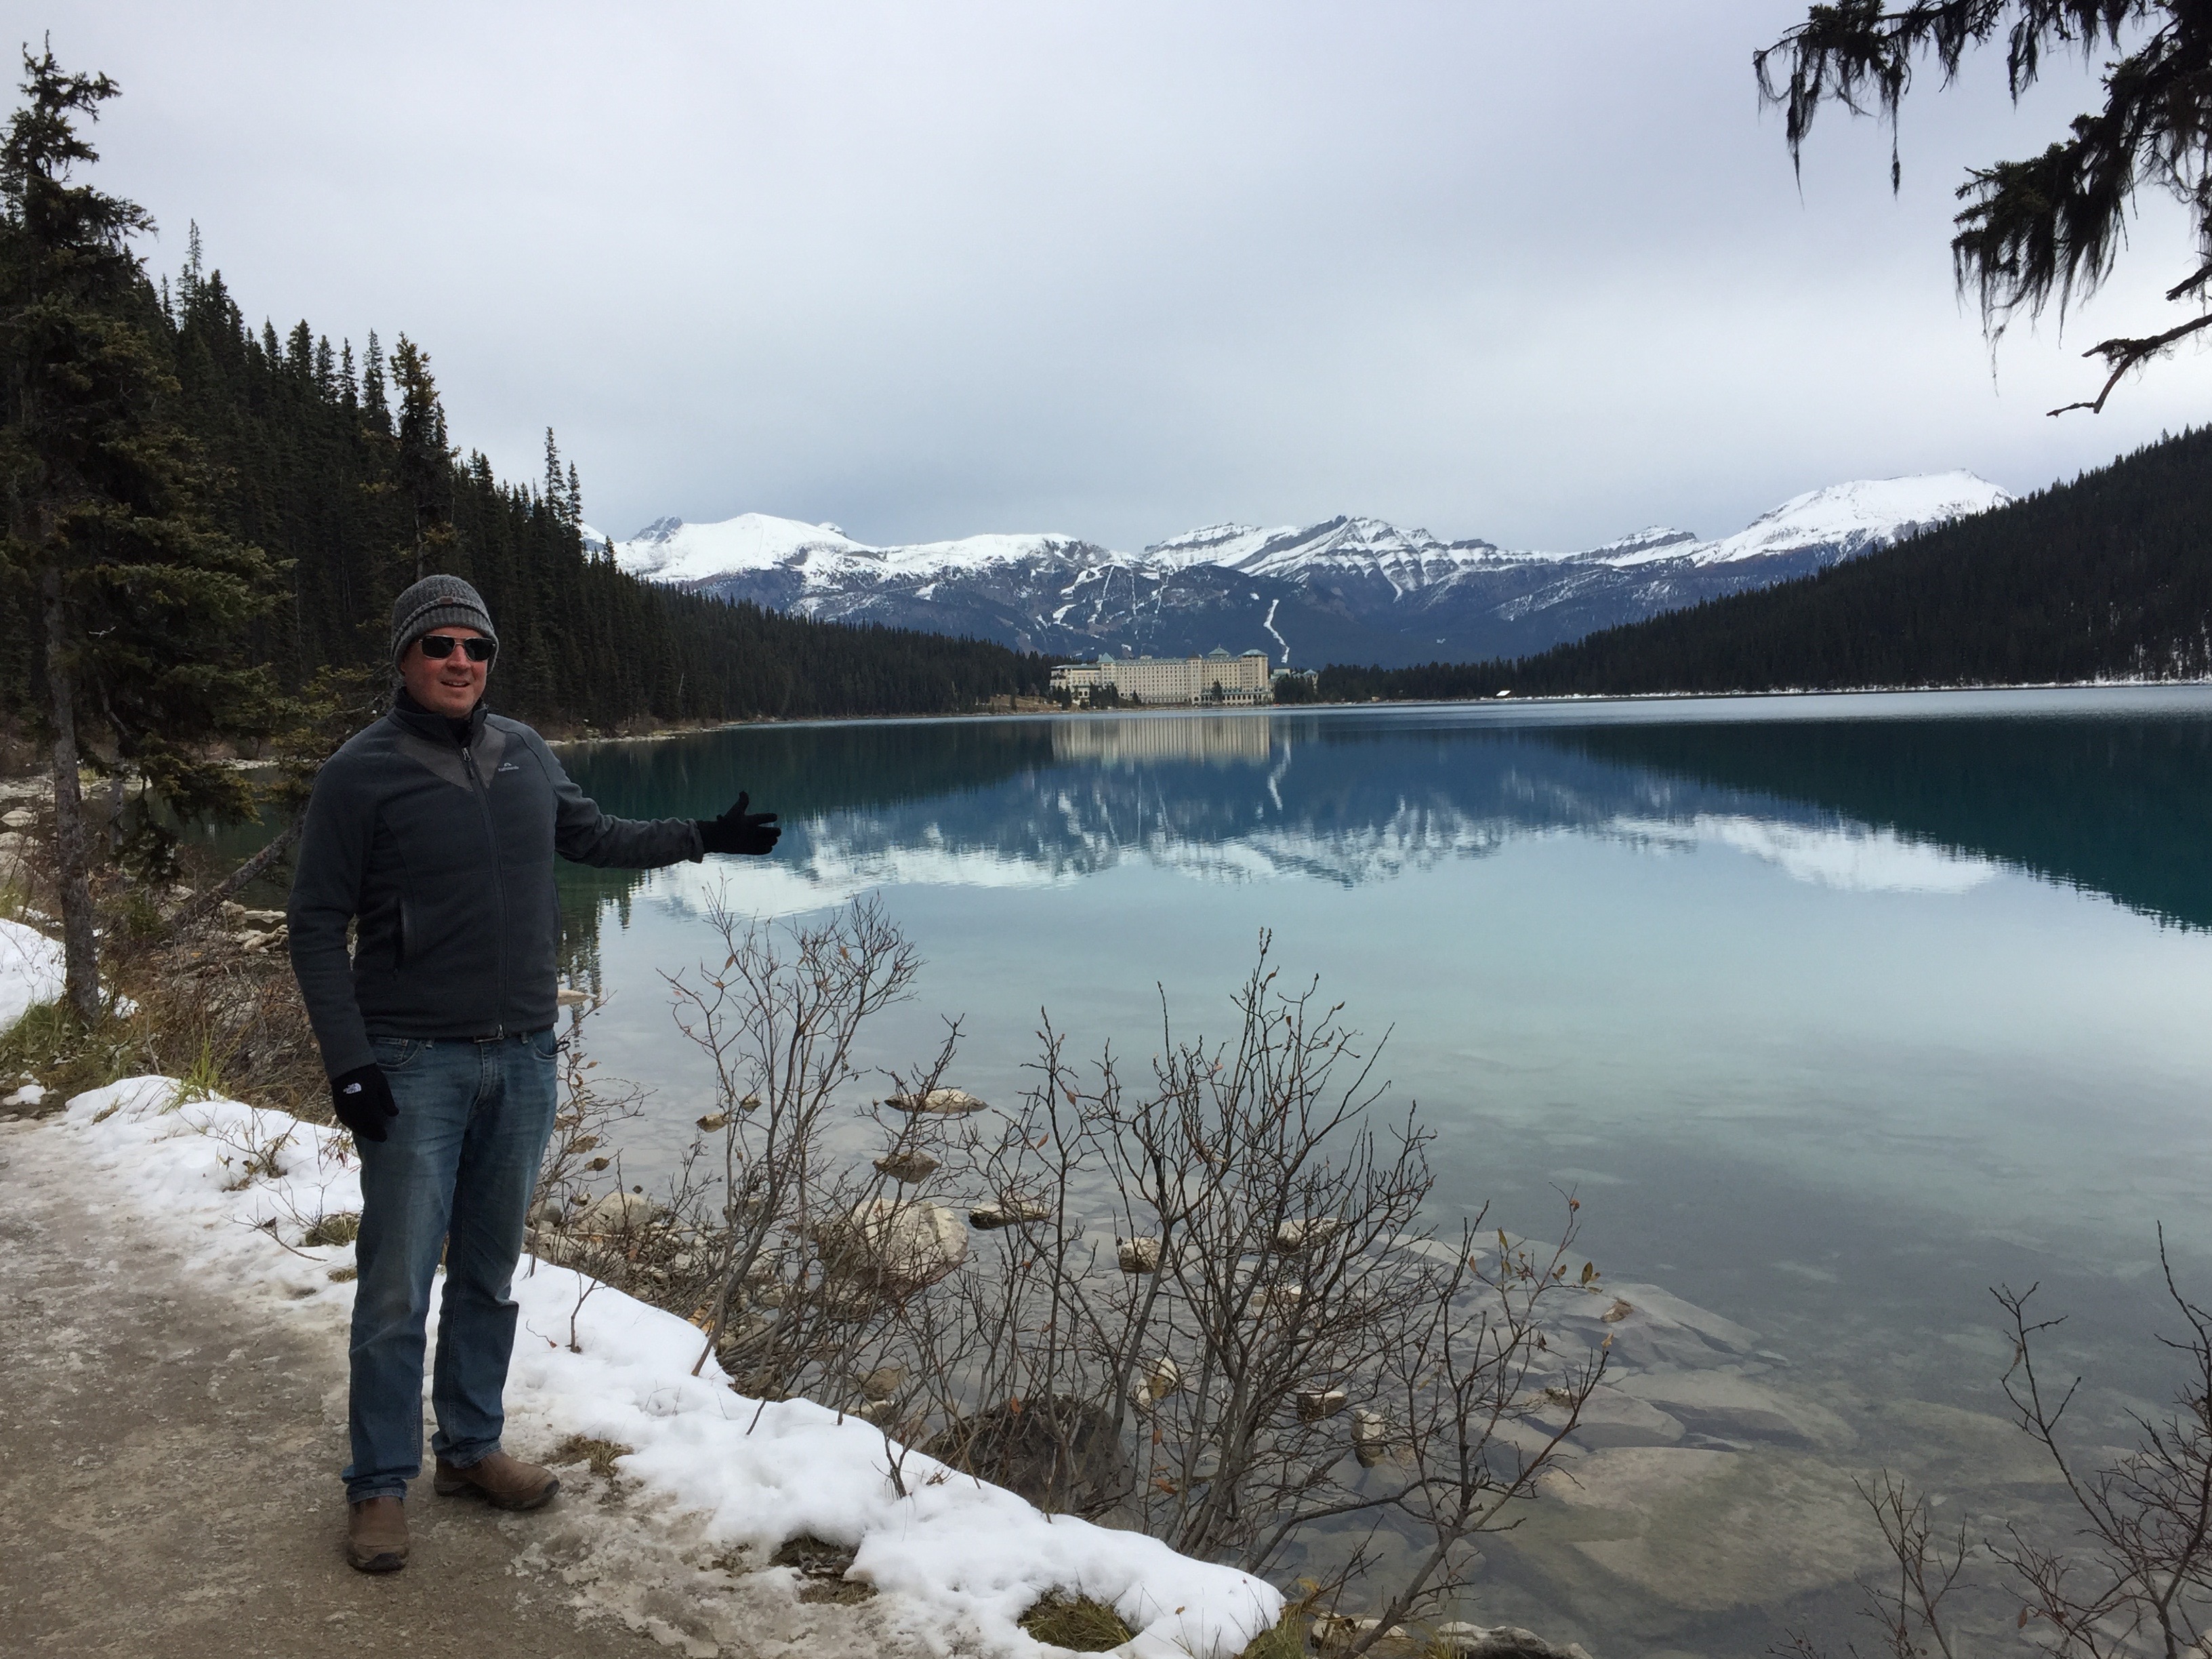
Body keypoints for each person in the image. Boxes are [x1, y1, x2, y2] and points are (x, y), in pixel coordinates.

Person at [286, 574, 781, 1574]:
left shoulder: (524, 752)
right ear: (405, 657)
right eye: (440, 644)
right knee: (395, 1288)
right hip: (414, 1063)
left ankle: (471, 1447)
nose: (460, 660)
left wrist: (701, 837)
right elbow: (313, 925)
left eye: (476, 646)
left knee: (488, 1272)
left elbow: (593, 838)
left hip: (523, 1056)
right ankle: (377, 1485)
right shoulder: (358, 773)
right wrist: (351, 1064)